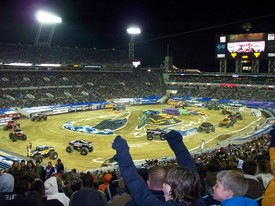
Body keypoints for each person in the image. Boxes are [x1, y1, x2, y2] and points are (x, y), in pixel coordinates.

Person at [112, 130, 205, 206]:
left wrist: (122, 153)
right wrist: (176, 142)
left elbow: (135, 183)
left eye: (167, 183)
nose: (163, 185)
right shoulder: (197, 200)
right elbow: (190, 170)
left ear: (175, 190)